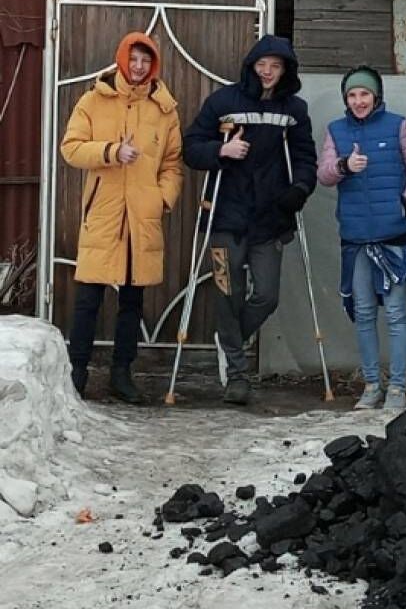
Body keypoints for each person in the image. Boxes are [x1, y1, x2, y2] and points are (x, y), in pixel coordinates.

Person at [182, 35, 316, 405]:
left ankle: (229, 342)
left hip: (270, 218)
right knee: (228, 294)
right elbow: (191, 148)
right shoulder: (223, 102)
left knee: (267, 295)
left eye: (276, 66)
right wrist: (221, 150)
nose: (268, 72)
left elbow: (305, 156)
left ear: (285, 69)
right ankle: (237, 378)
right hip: (226, 215)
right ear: (251, 65)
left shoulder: (295, 109)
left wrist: (300, 188)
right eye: (262, 65)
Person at [60, 32, 183, 403]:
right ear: (121, 59)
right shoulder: (93, 100)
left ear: (153, 65)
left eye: (146, 61)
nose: (139, 66)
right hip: (104, 213)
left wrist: (162, 200)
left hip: (141, 216)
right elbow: (71, 148)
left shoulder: (164, 109)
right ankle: (76, 370)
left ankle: (121, 373)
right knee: (88, 297)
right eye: (134, 59)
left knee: (132, 301)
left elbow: (173, 163)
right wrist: (112, 151)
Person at [317, 66, 406, 411]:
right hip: (356, 240)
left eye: (364, 94)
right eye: (352, 95)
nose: (358, 101)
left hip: (393, 238)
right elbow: (323, 175)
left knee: (397, 314)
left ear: (376, 96)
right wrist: (343, 165)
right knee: (365, 313)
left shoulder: (399, 126)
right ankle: (371, 385)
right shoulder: (336, 131)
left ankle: (397, 388)